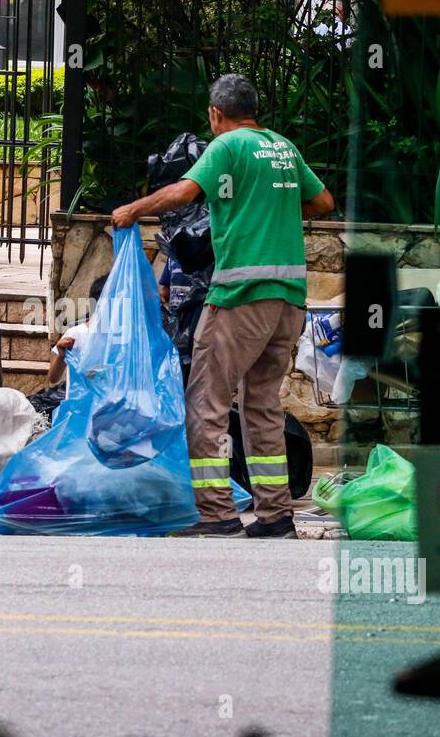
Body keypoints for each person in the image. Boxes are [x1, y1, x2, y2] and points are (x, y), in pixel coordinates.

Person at [112, 73, 335, 538]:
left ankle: (215, 513)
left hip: (240, 297)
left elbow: (183, 193)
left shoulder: (227, 147)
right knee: (261, 403)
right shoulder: (283, 148)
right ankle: (276, 514)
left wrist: (133, 209)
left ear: (216, 113)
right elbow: (323, 201)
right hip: (288, 300)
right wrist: (272, 214)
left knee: (206, 402)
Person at [47, 275, 106, 388]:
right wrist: (61, 356)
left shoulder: (119, 337)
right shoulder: (74, 335)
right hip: (80, 403)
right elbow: (53, 378)